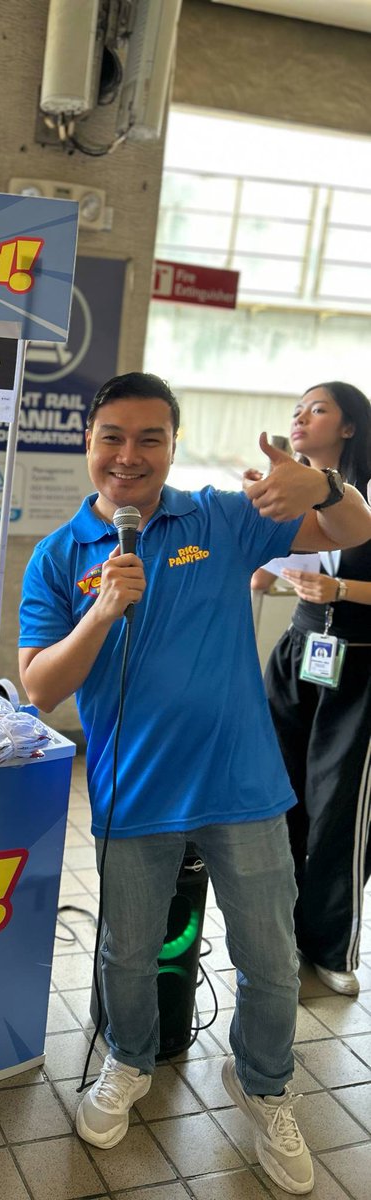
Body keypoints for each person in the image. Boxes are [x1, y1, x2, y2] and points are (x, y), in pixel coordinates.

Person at [18, 372, 371, 1196]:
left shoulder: (220, 515)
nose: (129, 456)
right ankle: (129, 1064)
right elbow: (38, 687)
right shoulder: (60, 554)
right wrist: (99, 613)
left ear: (174, 445)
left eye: (150, 438)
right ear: (89, 443)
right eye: (113, 436)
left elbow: (356, 526)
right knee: (127, 955)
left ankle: (263, 1084)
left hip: (243, 788)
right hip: (132, 798)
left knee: (271, 961)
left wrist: (320, 481)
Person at [251, 382, 371, 997]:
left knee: (340, 809)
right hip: (300, 654)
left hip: (359, 663)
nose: (301, 417)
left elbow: (340, 578)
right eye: (296, 409)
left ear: (349, 426)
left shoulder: (366, 494)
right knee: (282, 797)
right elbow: (259, 572)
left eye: (317, 408)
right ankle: (280, 935)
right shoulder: (288, 486)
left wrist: (344, 592)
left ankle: (330, 944)